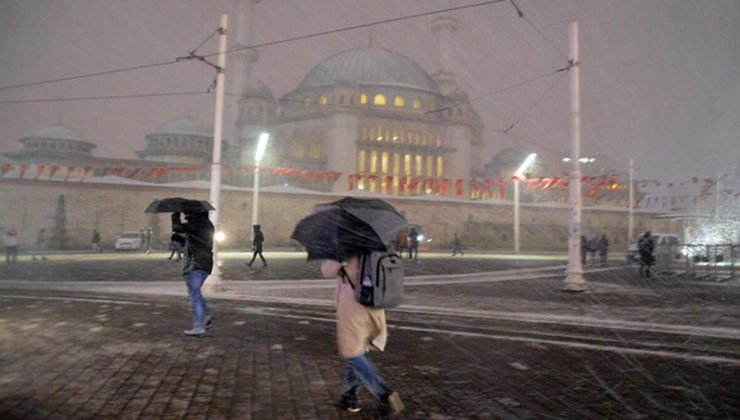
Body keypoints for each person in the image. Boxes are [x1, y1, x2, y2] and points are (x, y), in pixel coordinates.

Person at [321, 257, 404, 417]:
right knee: (358, 348)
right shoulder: (373, 241)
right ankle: (350, 396)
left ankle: (384, 395)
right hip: (373, 301)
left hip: (354, 306)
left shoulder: (347, 243)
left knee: (352, 353)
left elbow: (327, 271)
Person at [171, 211, 214, 337]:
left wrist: (175, 214)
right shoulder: (208, 225)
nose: (186, 215)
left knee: (194, 295)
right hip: (206, 263)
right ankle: (205, 316)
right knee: (196, 293)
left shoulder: (195, 224)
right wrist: (180, 238)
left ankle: (199, 326)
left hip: (194, 263)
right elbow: (193, 242)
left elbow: (177, 227)